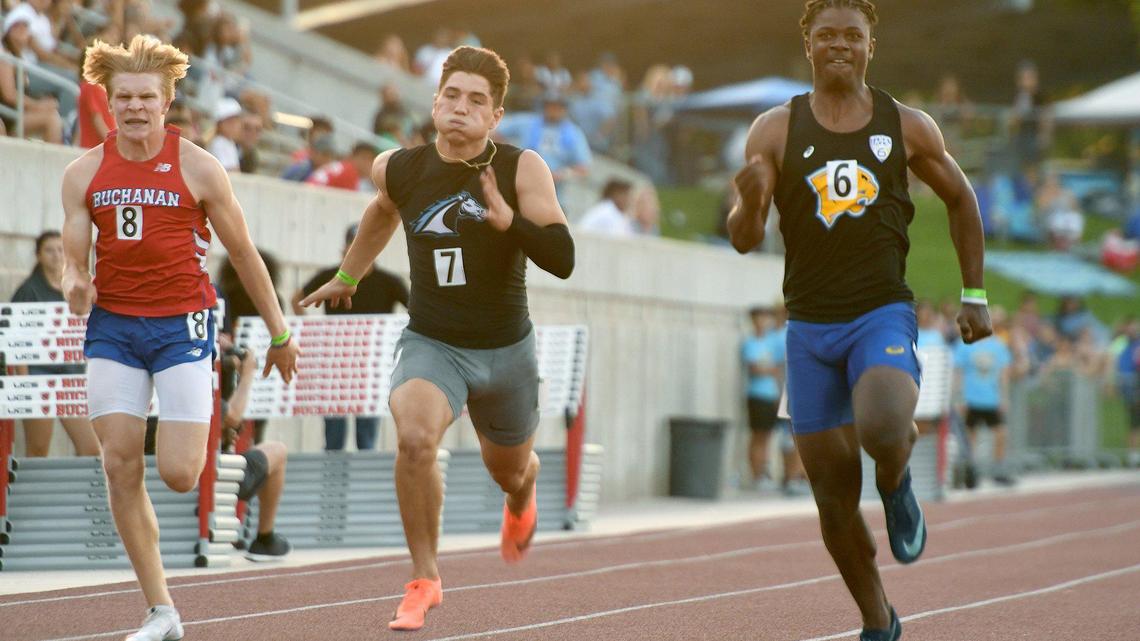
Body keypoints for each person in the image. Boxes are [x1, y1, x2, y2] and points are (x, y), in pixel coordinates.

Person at [726, 2, 991, 640]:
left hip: (880, 312)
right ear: (808, 45)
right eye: (827, 36)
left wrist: (974, 292)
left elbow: (961, 198)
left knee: (880, 426)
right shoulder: (773, 129)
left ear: (872, 45)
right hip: (809, 328)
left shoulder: (906, 125)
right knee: (834, 500)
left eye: (853, 35)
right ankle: (879, 620)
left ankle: (897, 480)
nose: (839, 44)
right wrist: (754, 198)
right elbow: (743, 236)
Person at [301, 45, 574, 632]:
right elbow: (382, 212)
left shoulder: (523, 168)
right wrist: (349, 275)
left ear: (495, 116)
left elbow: (564, 258)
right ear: (434, 100)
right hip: (434, 342)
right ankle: (424, 579)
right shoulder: (398, 166)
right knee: (416, 440)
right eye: (452, 95)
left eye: (477, 101)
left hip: (505, 351)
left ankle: (522, 493)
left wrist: (511, 223)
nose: (461, 108)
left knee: (508, 469)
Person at [59, 35, 299, 641]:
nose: (134, 107)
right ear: (108, 102)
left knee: (179, 475)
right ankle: (161, 609)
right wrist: (74, 282)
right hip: (113, 326)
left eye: (146, 97)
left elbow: (243, 253)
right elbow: (71, 252)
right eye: (123, 97)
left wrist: (278, 332)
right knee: (118, 463)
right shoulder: (84, 172)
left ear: (167, 101)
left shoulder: (197, 166)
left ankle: (241, 465)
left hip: (183, 325)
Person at [292, 223, 409, 452]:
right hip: (335, 366)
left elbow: (414, 310)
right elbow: (298, 299)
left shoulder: (390, 282)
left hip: (371, 368)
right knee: (334, 436)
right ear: (344, 250)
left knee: (366, 438)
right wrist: (311, 331)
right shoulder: (331, 277)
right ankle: (333, 485)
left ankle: (362, 486)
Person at [9, 231, 101, 457]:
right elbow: (15, 342)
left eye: (60, 249)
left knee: (91, 448)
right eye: (49, 250)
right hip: (39, 377)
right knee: (38, 448)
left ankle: (82, 492)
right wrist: (24, 383)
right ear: (38, 255)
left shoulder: (76, 287)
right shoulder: (28, 290)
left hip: (70, 376)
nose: (56, 255)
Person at [216, 341, 291, 561]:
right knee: (278, 450)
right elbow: (231, 416)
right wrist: (248, 374)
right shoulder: (188, 364)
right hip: (204, 477)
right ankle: (264, 538)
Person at [953, 317, 1015, 486]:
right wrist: (959, 397)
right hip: (971, 398)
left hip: (991, 399)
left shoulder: (998, 346)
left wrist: (1004, 397)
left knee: (1001, 434)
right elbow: (958, 372)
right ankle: (970, 471)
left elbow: (1004, 374)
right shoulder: (965, 344)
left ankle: (999, 470)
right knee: (969, 437)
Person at [740, 306, 783, 491]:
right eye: (759, 318)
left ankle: (764, 472)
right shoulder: (750, 343)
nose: (763, 322)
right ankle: (755, 475)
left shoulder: (772, 341)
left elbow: (778, 365)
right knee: (757, 436)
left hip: (772, 395)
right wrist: (768, 369)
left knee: (768, 436)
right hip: (756, 395)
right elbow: (755, 369)